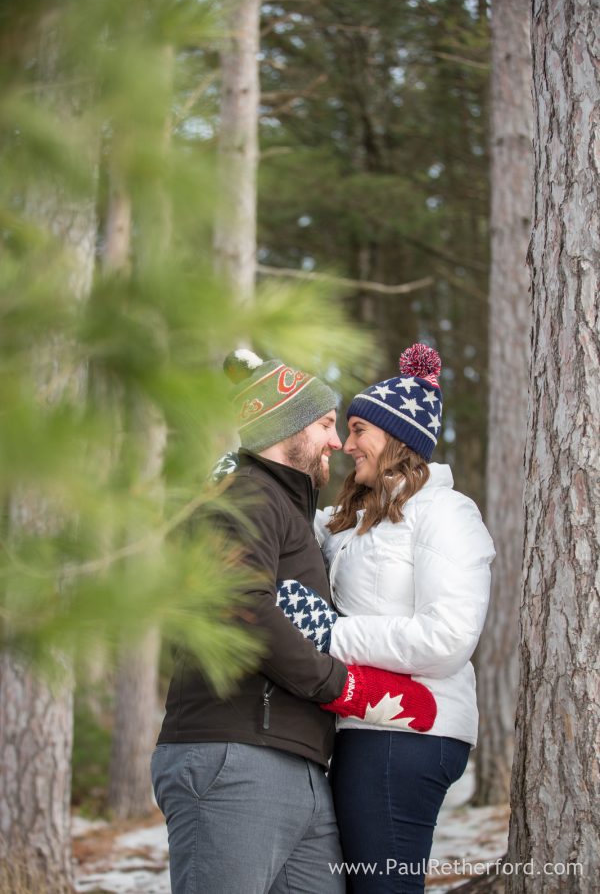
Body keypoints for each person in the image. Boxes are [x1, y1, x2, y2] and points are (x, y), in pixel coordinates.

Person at [152, 350, 423, 894]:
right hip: (236, 754)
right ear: (286, 427)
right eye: (325, 424)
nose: (335, 443)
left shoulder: (284, 506)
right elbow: (240, 606)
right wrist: (340, 685)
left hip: (293, 760)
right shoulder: (246, 496)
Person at [280, 343, 495, 893]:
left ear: (397, 437)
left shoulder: (446, 513)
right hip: (365, 727)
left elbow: (447, 638)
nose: (347, 444)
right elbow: (288, 531)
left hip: (410, 735)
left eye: (358, 430)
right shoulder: (355, 521)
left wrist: (331, 635)